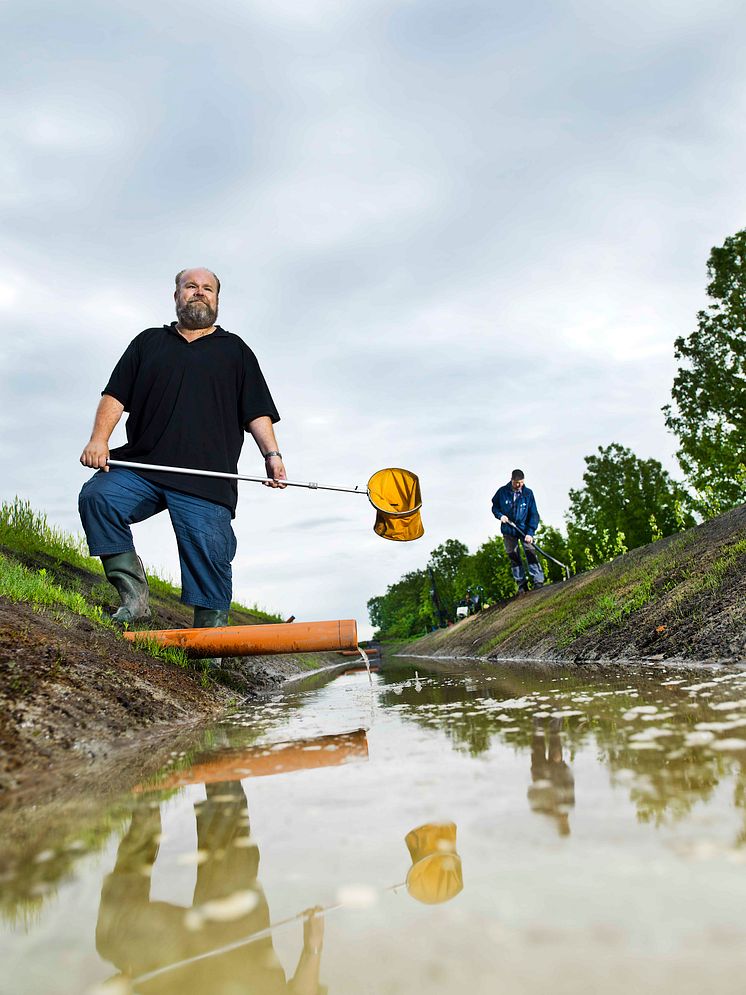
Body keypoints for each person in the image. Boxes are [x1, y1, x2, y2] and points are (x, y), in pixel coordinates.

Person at [78, 268, 286, 632]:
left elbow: (257, 410)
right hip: (143, 465)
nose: (199, 292)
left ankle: (210, 640)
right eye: (191, 286)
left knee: (210, 552)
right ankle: (134, 599)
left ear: (217, 300)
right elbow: (115, 395)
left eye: (208, 288)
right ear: (176, 295)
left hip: (205, 477)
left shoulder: (235, 351)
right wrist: (99, 439)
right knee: (99, 497)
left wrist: (272, 456)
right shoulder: (147, 343)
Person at [491, 469, 545, 593]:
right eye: (516, 482)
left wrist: (530, 532)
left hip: (524, 529)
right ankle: (521, 584)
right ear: (512, 480)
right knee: (513, 555)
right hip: (509, 530)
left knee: (530, 551)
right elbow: (494, 507)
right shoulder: (502, 492)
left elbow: (534, 514)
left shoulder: (528, 494)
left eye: (521, 482)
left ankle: (538, 581)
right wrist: (500, 515)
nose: (519, 485)